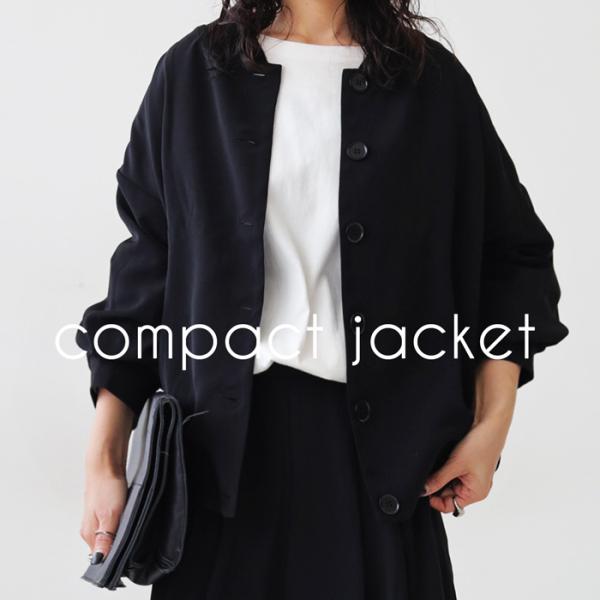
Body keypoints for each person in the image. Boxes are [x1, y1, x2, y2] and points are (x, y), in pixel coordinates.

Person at [77, 2, 568, 599]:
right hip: (218, 470)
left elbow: (512, 260)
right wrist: (104, 460)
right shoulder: (194, 72)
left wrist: (492, 426)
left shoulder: (431, 84)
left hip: (380, 472)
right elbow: (145, 273)